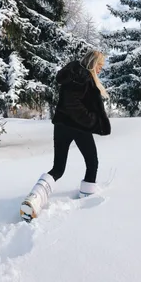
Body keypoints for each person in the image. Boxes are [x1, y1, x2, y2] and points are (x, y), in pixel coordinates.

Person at [20, 50, 111, 221]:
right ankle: (87, 199)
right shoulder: (84, 77)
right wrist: (90, 120)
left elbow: (70, 102)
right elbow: (73, 104)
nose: (100, 70)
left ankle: (34, 199)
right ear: (93, 63)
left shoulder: (72, 75)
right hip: (78, 127)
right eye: (99, 66)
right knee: (92, 162)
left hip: (61, 126)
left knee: (58, 168)